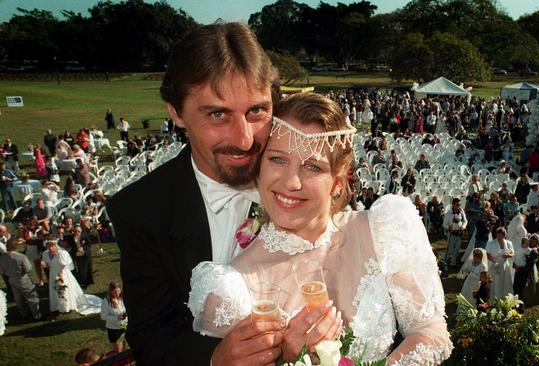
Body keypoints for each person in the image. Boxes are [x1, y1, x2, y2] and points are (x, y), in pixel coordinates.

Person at [188, 92, 452, 364]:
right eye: (277, 159)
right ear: (259, 167)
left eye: (312, 167)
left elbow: (430, 332)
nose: (291, 182)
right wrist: (288, 360)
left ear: (337, 183)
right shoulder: (230, 290)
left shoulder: (382, 230)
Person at [106, 23, 284, 365]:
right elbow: (151, 335)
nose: (245, 139)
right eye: (218, 114)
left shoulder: (302, 181)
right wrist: (215, 358)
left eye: (256, 111)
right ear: (176, 112)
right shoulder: (139, 209)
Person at [41, 238, 101, 315]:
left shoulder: (62, 253)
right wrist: (45, 265)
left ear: (56, 245)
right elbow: (48, 265)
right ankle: (57, 305)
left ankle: (67, 306)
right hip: (53, 274)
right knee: (55, 289)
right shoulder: (45, 254)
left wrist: (61, 274)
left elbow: (65, 264)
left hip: (63, 273)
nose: (50, 248)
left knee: (64, 289)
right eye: (48, 246)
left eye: (52, 246)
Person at [0, 238, 42, 321]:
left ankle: (23, 313)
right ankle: (36, 314)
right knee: (31, 296)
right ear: (16, 247)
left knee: (18, 297)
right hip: (22, 278)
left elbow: (2, 271)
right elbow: (29, 269)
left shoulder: (2, 258)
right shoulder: (21, 257)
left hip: (11, 279)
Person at [486, 227, 514, 301]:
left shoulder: (509, 243)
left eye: (501, 235)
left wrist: (508, 255)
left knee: (504, 281)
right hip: (493, 264)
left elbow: (512, 253)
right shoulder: (491, 243)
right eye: (498, 235)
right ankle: (492, 297)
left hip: (504, 265)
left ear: (504, 235)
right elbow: (487, 254)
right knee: (494, 281)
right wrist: (494, 261)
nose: (499, 237)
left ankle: (503, 296)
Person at [101, 281, 127, 352]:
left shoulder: (122, 298)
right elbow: (103, 317)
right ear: (110, 291)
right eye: (114, 292)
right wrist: (117, 318)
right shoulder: (106, 301)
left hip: (124, 326)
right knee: (118, 351)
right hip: (114, 329)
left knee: (125, 348)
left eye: (118, 291)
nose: (117, 294)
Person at [443, 197, 467, 267]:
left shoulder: (461, 211)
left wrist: (463, 226)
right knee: (450, 249)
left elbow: (465, 220)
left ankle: (453, 263)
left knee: (457, 249)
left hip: (459, 233)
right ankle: (445, 261)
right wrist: (449, 227)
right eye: (457, 205)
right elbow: (444, 224)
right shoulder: (448, 213)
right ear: (453, 205)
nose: (459, 206)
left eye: (459, 204)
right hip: (451, 233)